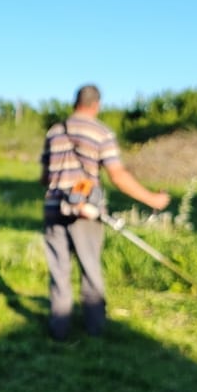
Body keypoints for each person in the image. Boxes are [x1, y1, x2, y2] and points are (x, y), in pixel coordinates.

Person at [40, 84, 170, 340]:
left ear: (75, 102)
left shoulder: (54, 132)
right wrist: (152, 199)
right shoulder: (101, 132)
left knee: (59, 271)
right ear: (96, 105)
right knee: (90, 269)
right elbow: (117, 175)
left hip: (53, 208)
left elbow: (44, 177)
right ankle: (95, 331)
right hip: (86, 213)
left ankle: (59, 331)